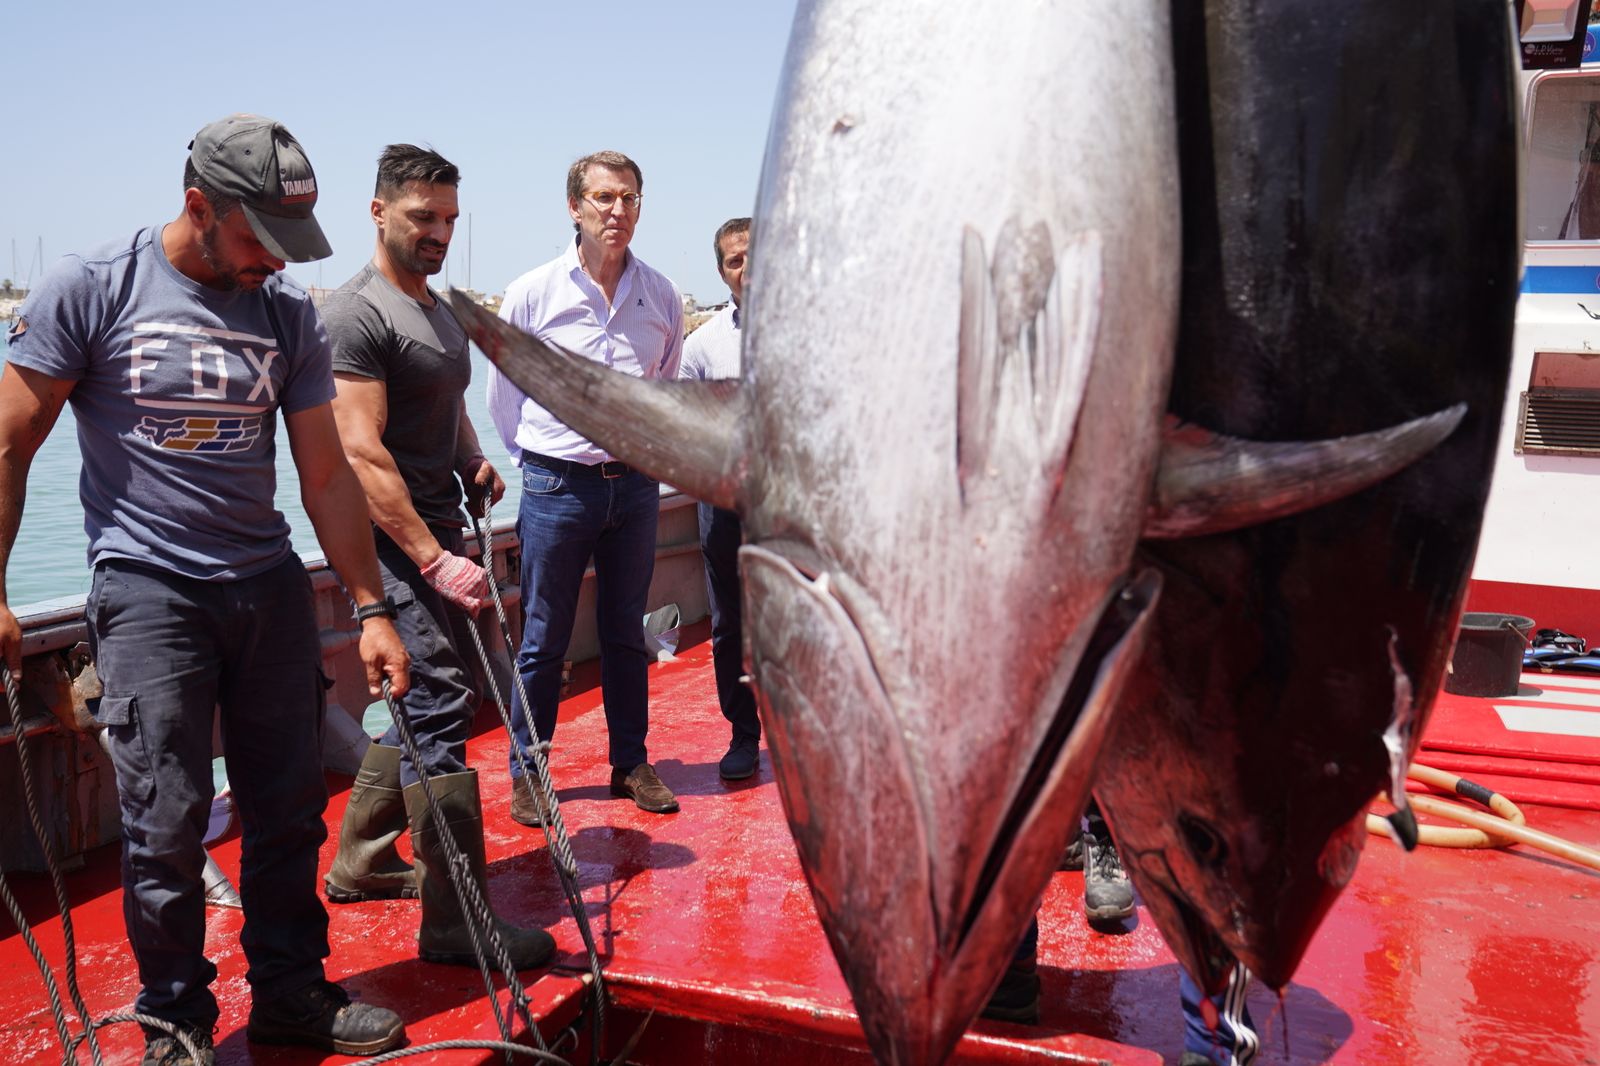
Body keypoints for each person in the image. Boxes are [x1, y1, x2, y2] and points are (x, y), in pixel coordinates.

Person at [0, 114, 411, 1066]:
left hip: (266, 585)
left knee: (289, 809)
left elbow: (326, 475)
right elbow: (10, 443)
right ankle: (176, 1019)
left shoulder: (287, 314)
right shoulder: (93, 288)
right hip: (148, 589)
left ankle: (291, 994)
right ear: (198, 206)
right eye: (260, 237)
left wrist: (371, 607)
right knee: (165, 820)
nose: (277, 260)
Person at [321, 144, 555, 971]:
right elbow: (359, 453)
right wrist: (429, 558)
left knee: (433, 698)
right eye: (423, 217)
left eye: (450, 218)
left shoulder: (438, 306)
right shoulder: (356, 315)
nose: (439, 233)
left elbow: (447, 399)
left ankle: (358, 860)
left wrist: (472, 457)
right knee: (441, 702)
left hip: (439, 530)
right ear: (378, 211)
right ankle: (456, 921)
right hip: (388, 543)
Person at [486, 150, 684, 824]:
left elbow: (663, 386)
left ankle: (630, 763)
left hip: (634, 488)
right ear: (574, 207)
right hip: (556, 486)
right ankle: (530, 771)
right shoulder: (532, 293)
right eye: (603, 197)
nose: (617, 210)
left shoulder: (661, 294)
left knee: (626, 631)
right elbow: (505, 396)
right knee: (544, 636)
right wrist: (539, 461)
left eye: (629, 198)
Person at [678, 217, 761, 780]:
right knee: (729, 623)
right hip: (725, 501)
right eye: (735, 260)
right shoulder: (702, 345)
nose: (747, 268)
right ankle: (743, 734)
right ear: (722, 272)